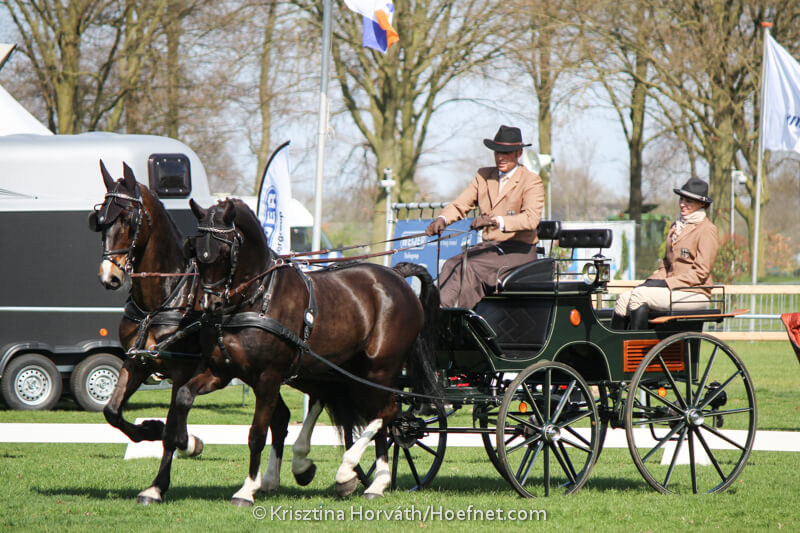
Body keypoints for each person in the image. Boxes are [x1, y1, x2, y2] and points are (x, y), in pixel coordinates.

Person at [426, 125, 545, 309]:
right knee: (451, 264)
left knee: (469, 267)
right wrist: (442, 219)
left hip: (518, 252)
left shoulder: (531, 181)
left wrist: (496, 221)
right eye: (497, 152)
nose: (500, 157)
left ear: (519, 153)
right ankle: (436, 312)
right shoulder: (483, 176)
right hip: (489, 249)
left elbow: (531, 219)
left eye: (506, 153)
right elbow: (460, 204)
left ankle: (455, 318)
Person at [612, 177, 720, 330]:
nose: (682, 204)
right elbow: (666, 265)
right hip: (673, 289)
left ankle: (639, 345)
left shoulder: (706, 230)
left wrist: (667, 283)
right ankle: (618, 345)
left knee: (639, 296)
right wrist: (651, 282)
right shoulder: (676, 226)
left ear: (701, 204)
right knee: (623, 299)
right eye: (681, 199)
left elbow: (701, 273)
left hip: (694, 292)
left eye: (688, 201)